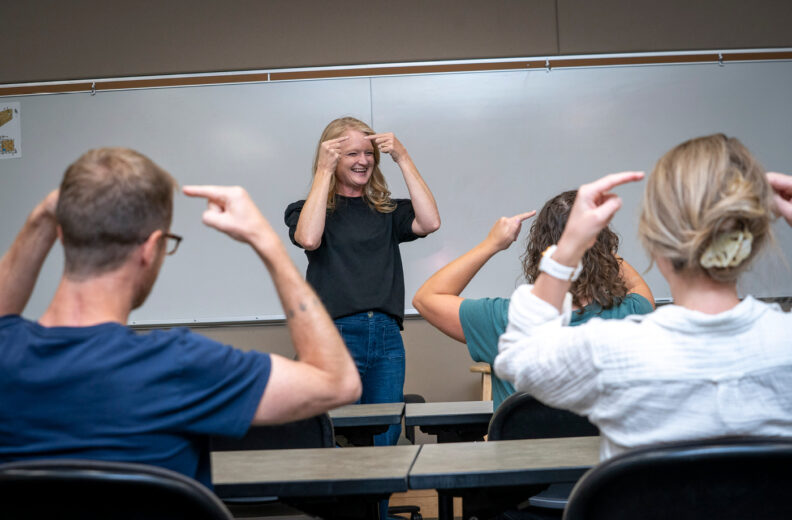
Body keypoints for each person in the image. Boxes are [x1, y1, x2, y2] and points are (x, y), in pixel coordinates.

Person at [0, 147, 361, 487]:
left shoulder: (7, 355)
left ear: (61, 234)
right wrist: (266, 242)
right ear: (151, 248)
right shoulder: (177, 364)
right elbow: (339, 381)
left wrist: (44, 216)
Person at [495, 134, 792, 461]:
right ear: (755, 237)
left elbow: (520, 355)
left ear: (652, 242)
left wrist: (567, 249)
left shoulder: (611, 354)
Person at [413, 190, 654, 409]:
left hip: (520, 458)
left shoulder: (504, 321)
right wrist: (591, 238)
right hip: (602, 458)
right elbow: (636, 286)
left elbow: (427, 297)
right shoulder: (632, 314)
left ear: (541, 251)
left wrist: (491, 244)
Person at [284, 117, 440, 447]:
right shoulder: (306, 210)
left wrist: (403, 157)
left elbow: (430, 221)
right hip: (336, 335)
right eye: (352, 153)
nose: (363, 161)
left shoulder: (386, 210)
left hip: (386, 335)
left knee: (386, 435)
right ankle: (346, 501)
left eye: (368, 153)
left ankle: (377, 503)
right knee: (338, 434)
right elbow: (309, 239)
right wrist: (323, 172)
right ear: (332, 157)